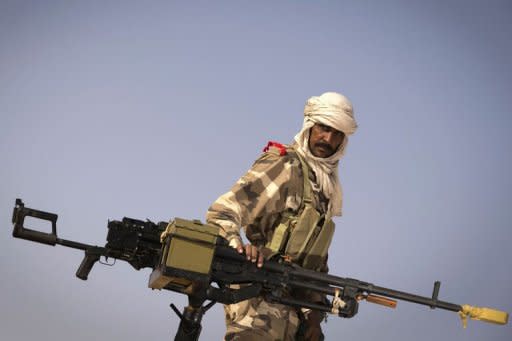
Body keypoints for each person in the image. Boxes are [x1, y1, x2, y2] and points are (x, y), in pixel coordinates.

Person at [206, 91, 358, 341]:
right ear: (310, 125)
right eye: (323, 128)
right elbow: (223, 210)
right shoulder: (286, 165)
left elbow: (315, 268)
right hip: (256, 307)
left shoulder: (326, 190)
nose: (327, 138)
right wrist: (238, 248)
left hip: (293, 319)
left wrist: (314, 319)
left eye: (336, 133)